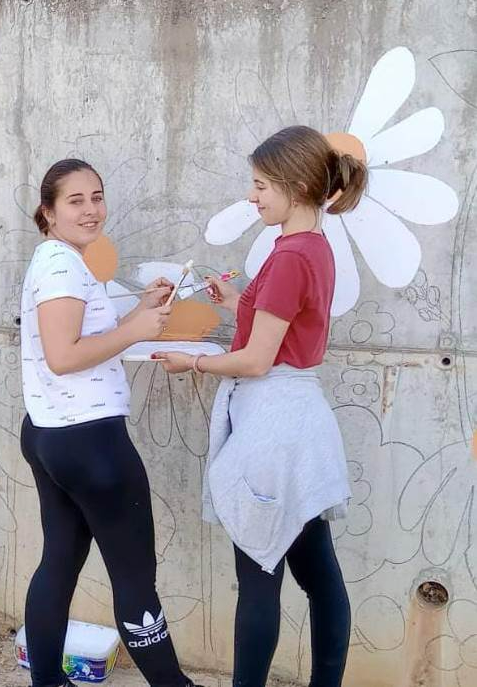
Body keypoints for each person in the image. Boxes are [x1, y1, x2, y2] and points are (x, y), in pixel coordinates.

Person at [153, 126, 364, 687]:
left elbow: (254, 361)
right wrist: (239, 299)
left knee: (260, 571)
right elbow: (279, 329)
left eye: (261, 185)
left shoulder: (291, 256)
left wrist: (191, 361)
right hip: (296, 422)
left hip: (275, 427)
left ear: (295, 187)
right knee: (317, 571)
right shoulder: (309, 246)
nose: (253, 196)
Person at [18, 158, 203, 687]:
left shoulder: (65, 262)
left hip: (54, 433)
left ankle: (47, 682)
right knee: (135, 581)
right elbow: (63, 355)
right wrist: (138, 329)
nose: (91, 209)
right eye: (75, 201)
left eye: (96, 197)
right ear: (48, 212)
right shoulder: (60, 266)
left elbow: (83, 345)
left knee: (58, 563)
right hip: (90, 441)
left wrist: (136, 314)